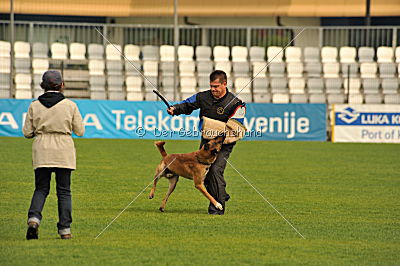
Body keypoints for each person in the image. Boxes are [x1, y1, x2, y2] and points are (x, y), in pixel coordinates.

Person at [167, 70, 246, 215]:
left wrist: (218, 134)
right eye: (211, 86)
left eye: (216, 86)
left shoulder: (236, 103)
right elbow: (187, 104)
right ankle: (221, 194)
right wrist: (175, 109)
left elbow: (236, 127)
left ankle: (216, 208)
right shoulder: (202, 96)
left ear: (225, 84)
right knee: (205, 174)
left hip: (224, 143)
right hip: (206, 143)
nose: (213, 89)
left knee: (215, 170)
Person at [22, 70, 85, 240]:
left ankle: (34, 219)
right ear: (61, 85)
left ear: (43, 86)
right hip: (63, 149)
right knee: (64, 191)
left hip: (42, 148)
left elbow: (27, 132)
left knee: (41, 188)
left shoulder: (34, 105)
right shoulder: (70, 105)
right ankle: (65, 229)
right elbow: (80, 131)